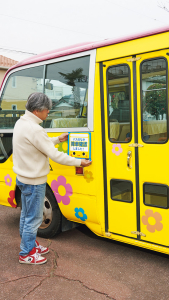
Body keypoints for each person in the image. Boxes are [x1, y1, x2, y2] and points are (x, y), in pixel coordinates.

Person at [13, 92, 92, 265]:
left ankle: (30, 245)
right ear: (36, 110)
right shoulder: (35, 129)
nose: (48, 112)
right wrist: (79, 161)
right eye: (46, 109)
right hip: (34, 182)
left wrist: (56, 139)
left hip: (23, 179)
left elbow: (37, 143)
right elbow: (55, 155)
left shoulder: (22, 123)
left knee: (26, 215)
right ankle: (26, 253)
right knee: (33, 218)